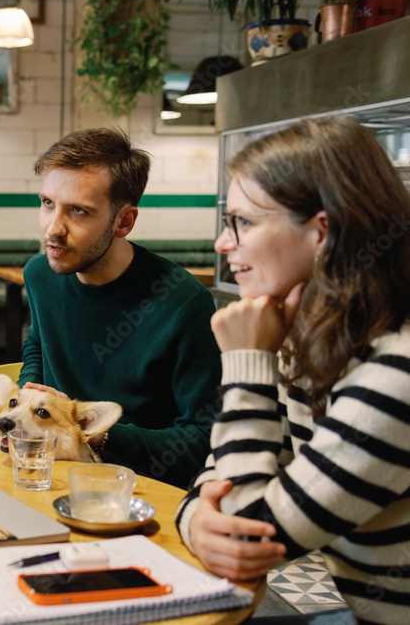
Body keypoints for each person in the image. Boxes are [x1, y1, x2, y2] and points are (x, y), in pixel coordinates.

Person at [176, 116, 410, 625]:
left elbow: (252, 529)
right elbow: (228, 476)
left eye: (243, 221)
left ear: (321, 232)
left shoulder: (394, 375)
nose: (222, 242)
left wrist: (245, 364)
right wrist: (196, 521)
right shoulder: (310, 342)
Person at [19, 128, 222, 488]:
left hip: (141, 490)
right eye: (48, 203)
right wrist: (26, 404)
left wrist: (97, 433)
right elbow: (37, 342)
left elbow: (205, 440)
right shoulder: (40, 275)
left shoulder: (184, 304)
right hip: (57, 475)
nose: (53, 229)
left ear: (124, 221)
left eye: (78, 211)